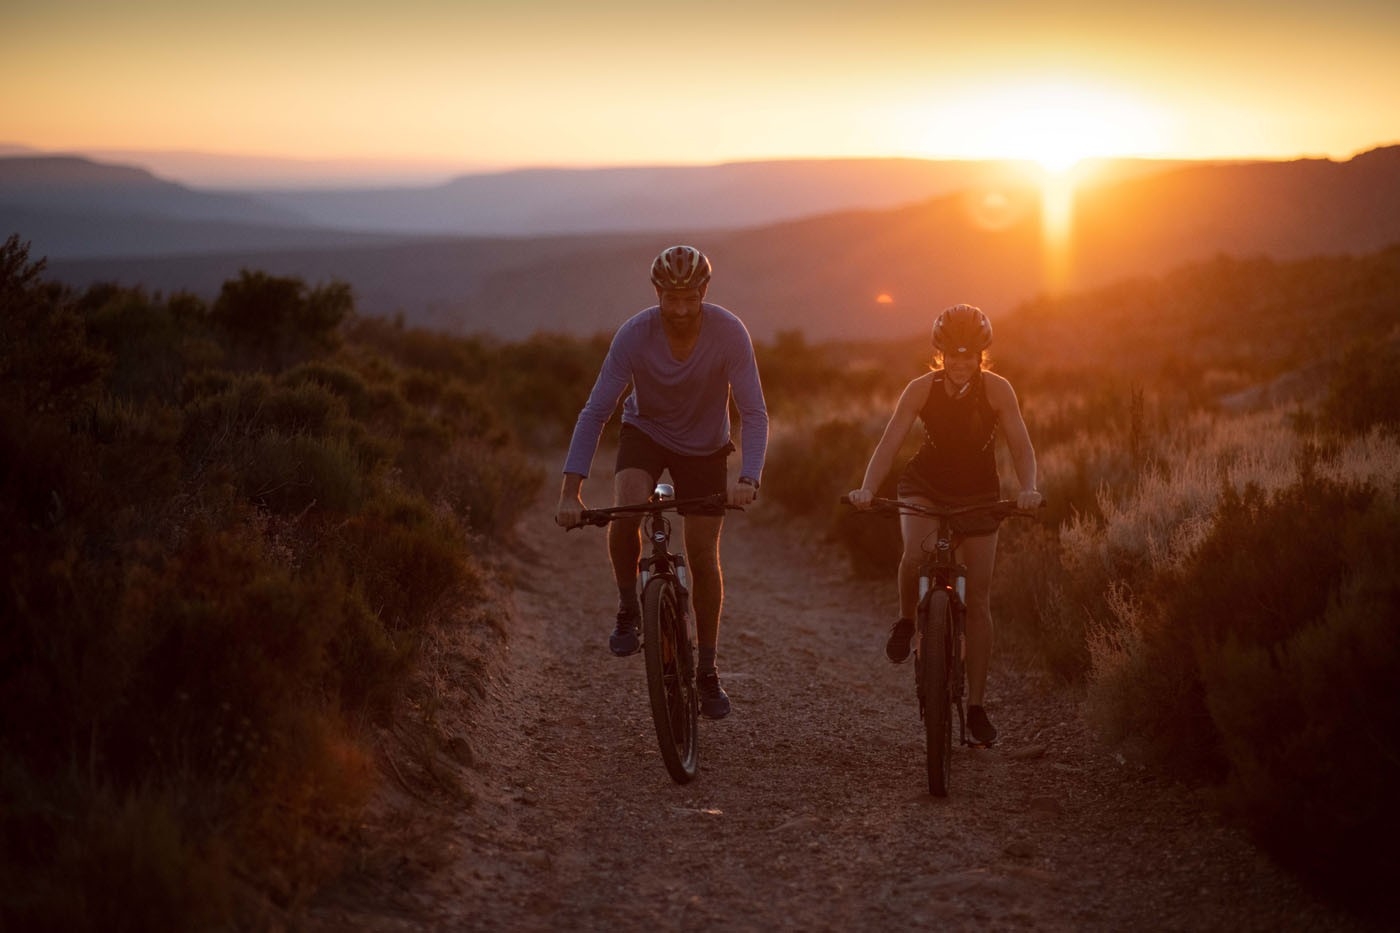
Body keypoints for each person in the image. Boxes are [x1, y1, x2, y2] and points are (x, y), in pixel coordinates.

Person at [555, 245, 768, 720]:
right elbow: (596, 413)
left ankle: (708, 669)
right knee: (627, 507)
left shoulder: (729, 332)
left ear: (703, 293)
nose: (679, 309)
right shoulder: (634, 335)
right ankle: (629, 606)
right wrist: (570, 492)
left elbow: (753, 412)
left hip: (706, 447)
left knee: (702, 554)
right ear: (657, 294)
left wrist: (748, 476)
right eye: (670, 299)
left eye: (689, 298)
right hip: (646, 432)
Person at [846, 304, 1041, 745]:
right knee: (915, 555)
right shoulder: (920, 389)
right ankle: (904, 620)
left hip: (979, 494)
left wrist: (1029, 487)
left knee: (980, 595)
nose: (960, 364)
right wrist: (866, 488)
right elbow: (891, 440)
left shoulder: (998, 391)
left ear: (980, 356)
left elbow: (1020, 444)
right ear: (940, 355)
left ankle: (975, 707)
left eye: (968, 355)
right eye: (952, 356)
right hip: (925, 485)